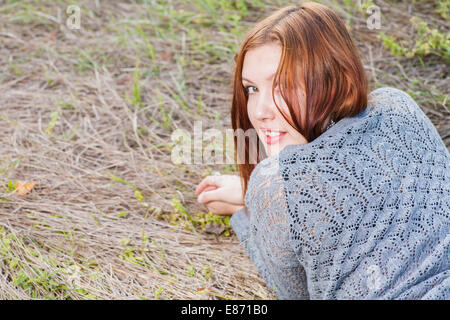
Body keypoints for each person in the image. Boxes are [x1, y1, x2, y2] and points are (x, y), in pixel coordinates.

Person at [195, 2, 449, 299]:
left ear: (335, 77)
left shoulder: (277, 185)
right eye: (252, 89)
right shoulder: (399, 106)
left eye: (283, 85)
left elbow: (296, 294)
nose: (260, 111)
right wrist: (256, 194)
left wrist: (246, 211)